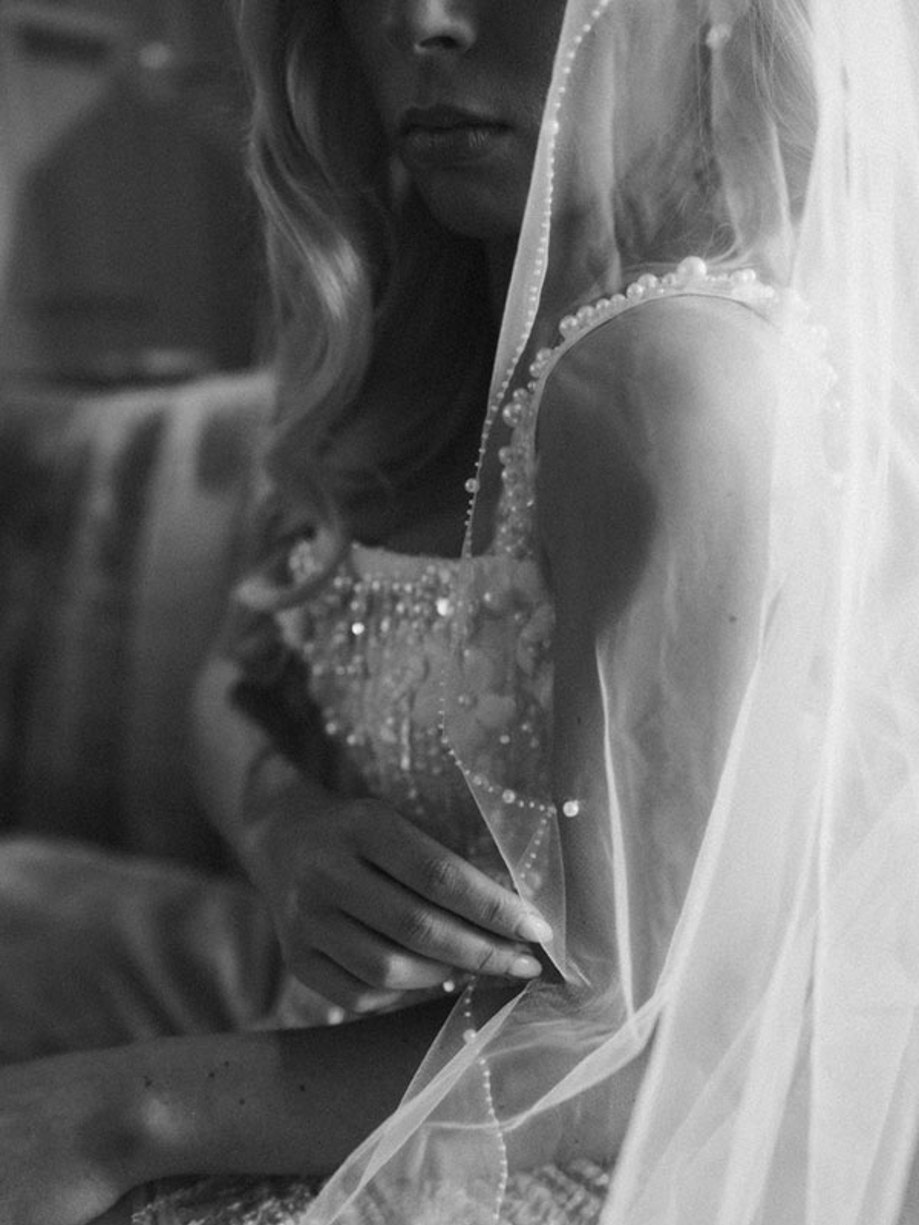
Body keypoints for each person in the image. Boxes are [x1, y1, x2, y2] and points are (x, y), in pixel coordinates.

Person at [1, 0, 919, 1223]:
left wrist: (125, 1113)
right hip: (339, 1087)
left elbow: (661, 1037)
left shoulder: (674, 386)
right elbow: (232, 679)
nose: (422, 21)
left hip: (564, 1165)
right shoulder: (414, 341)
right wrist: (286, 831)